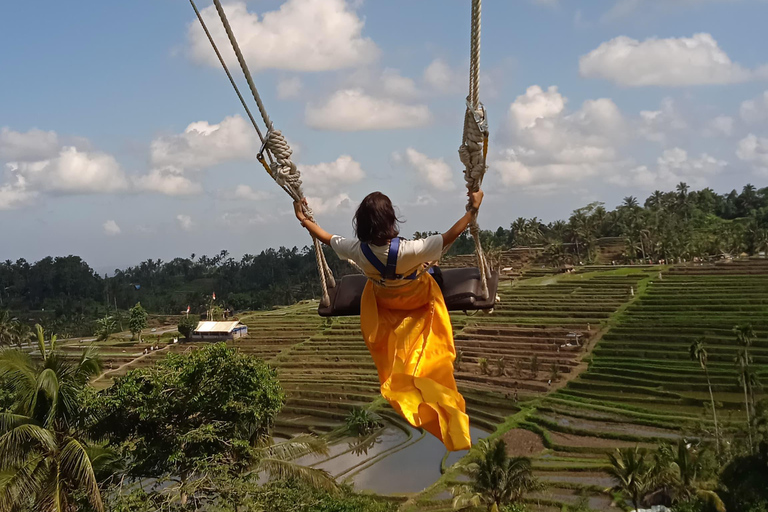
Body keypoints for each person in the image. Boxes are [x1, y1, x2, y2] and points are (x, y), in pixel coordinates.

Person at [294, 190, 484, 452]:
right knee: (433, 276)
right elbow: (450, 236)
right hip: (418, 300)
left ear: (361, 224)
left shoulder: (357, 250)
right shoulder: (411, 249)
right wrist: (472, 211)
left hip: (384, 304)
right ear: (391, 219)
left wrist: (303, 219)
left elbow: (326, 238)